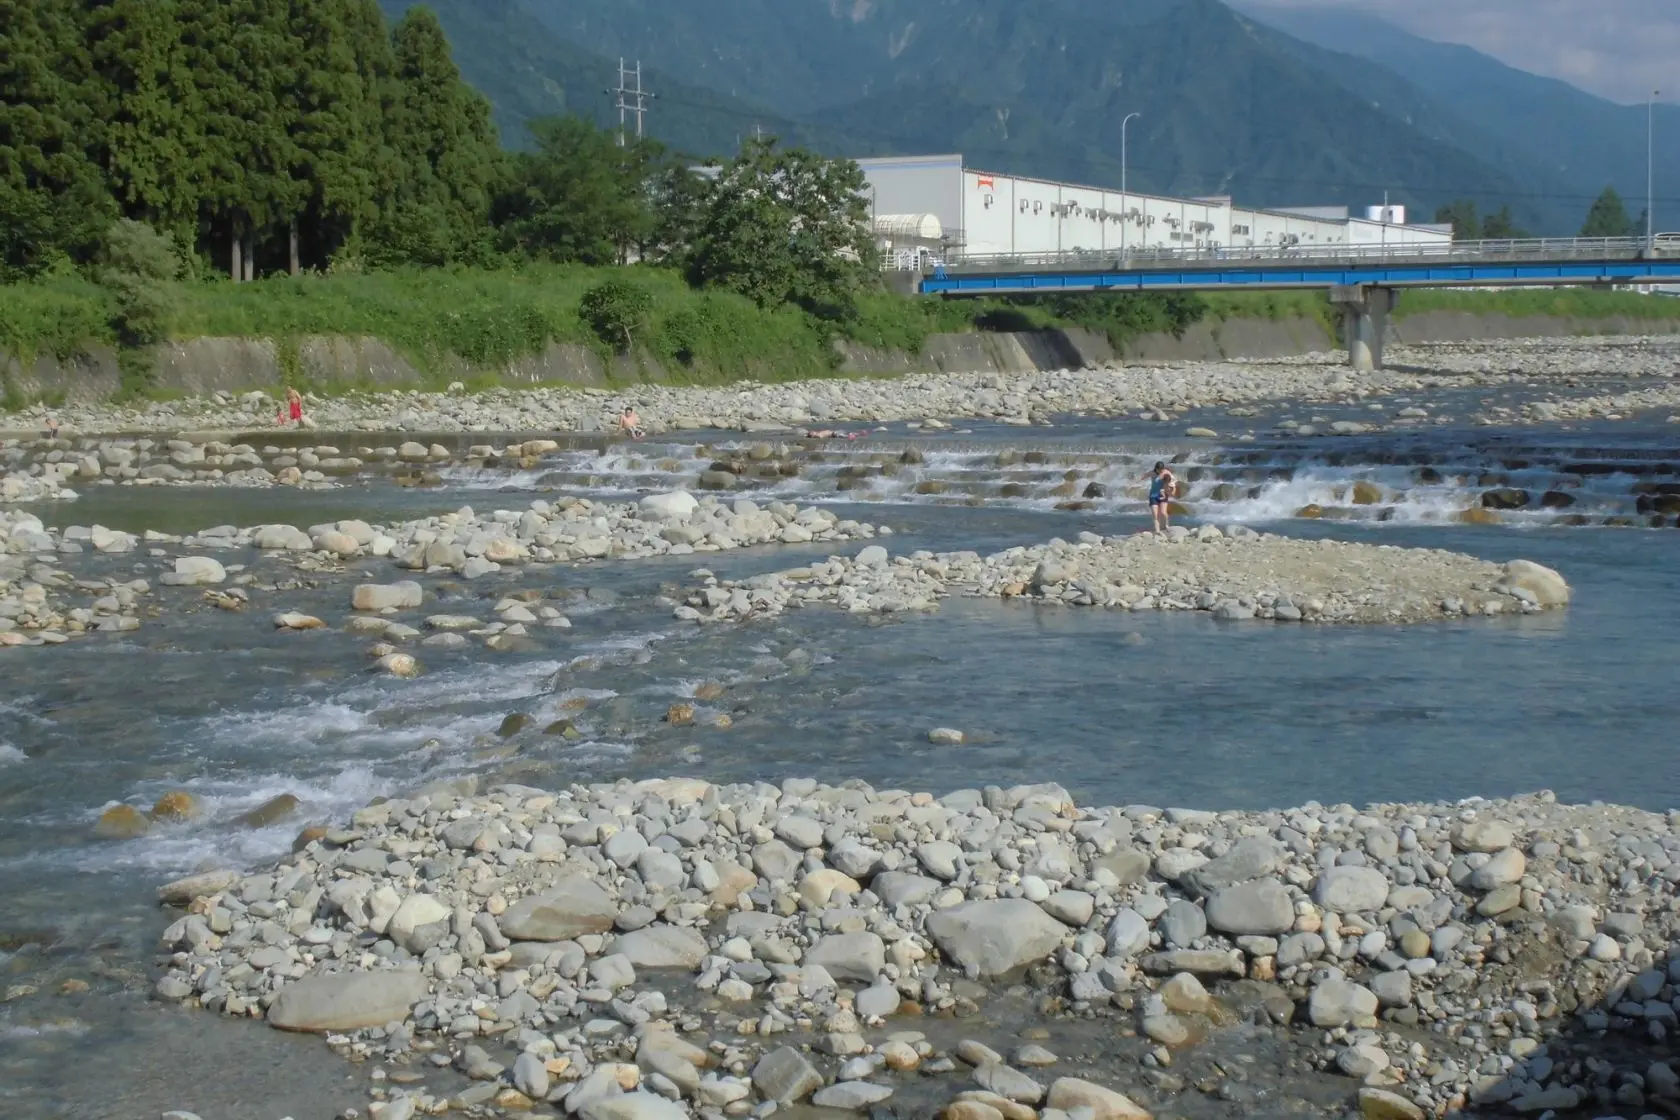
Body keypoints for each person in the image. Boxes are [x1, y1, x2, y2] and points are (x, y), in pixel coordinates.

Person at [1147, 460, 1177, 532]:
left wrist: (1173, 491)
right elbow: (1143, 476)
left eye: (1162, 469)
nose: (1161, 471)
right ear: (1156, 469)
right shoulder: (1152, 473)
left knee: (1163, 513)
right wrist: (1132, 484)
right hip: (1153, 496)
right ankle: (1157, 531)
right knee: (1155, 514)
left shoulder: (1166, 473)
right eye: (1160, 469)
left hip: (1162, 495)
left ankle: (1166, 525)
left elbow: (1173, 482)